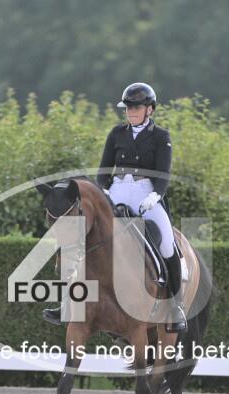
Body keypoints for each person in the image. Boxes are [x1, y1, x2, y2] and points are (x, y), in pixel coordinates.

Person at [42, 82, 187, 333]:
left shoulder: (161, 136)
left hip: (146, 193)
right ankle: (66, 302)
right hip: (117, 191)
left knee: (166, 242)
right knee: (80, 238)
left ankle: (175, 307)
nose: (130, 112)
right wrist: (104, 190)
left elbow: (164, 174)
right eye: (128, 108)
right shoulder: (116, 133)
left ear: (150, 109)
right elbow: (104, 170)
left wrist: (155, 195)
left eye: (136, 108)